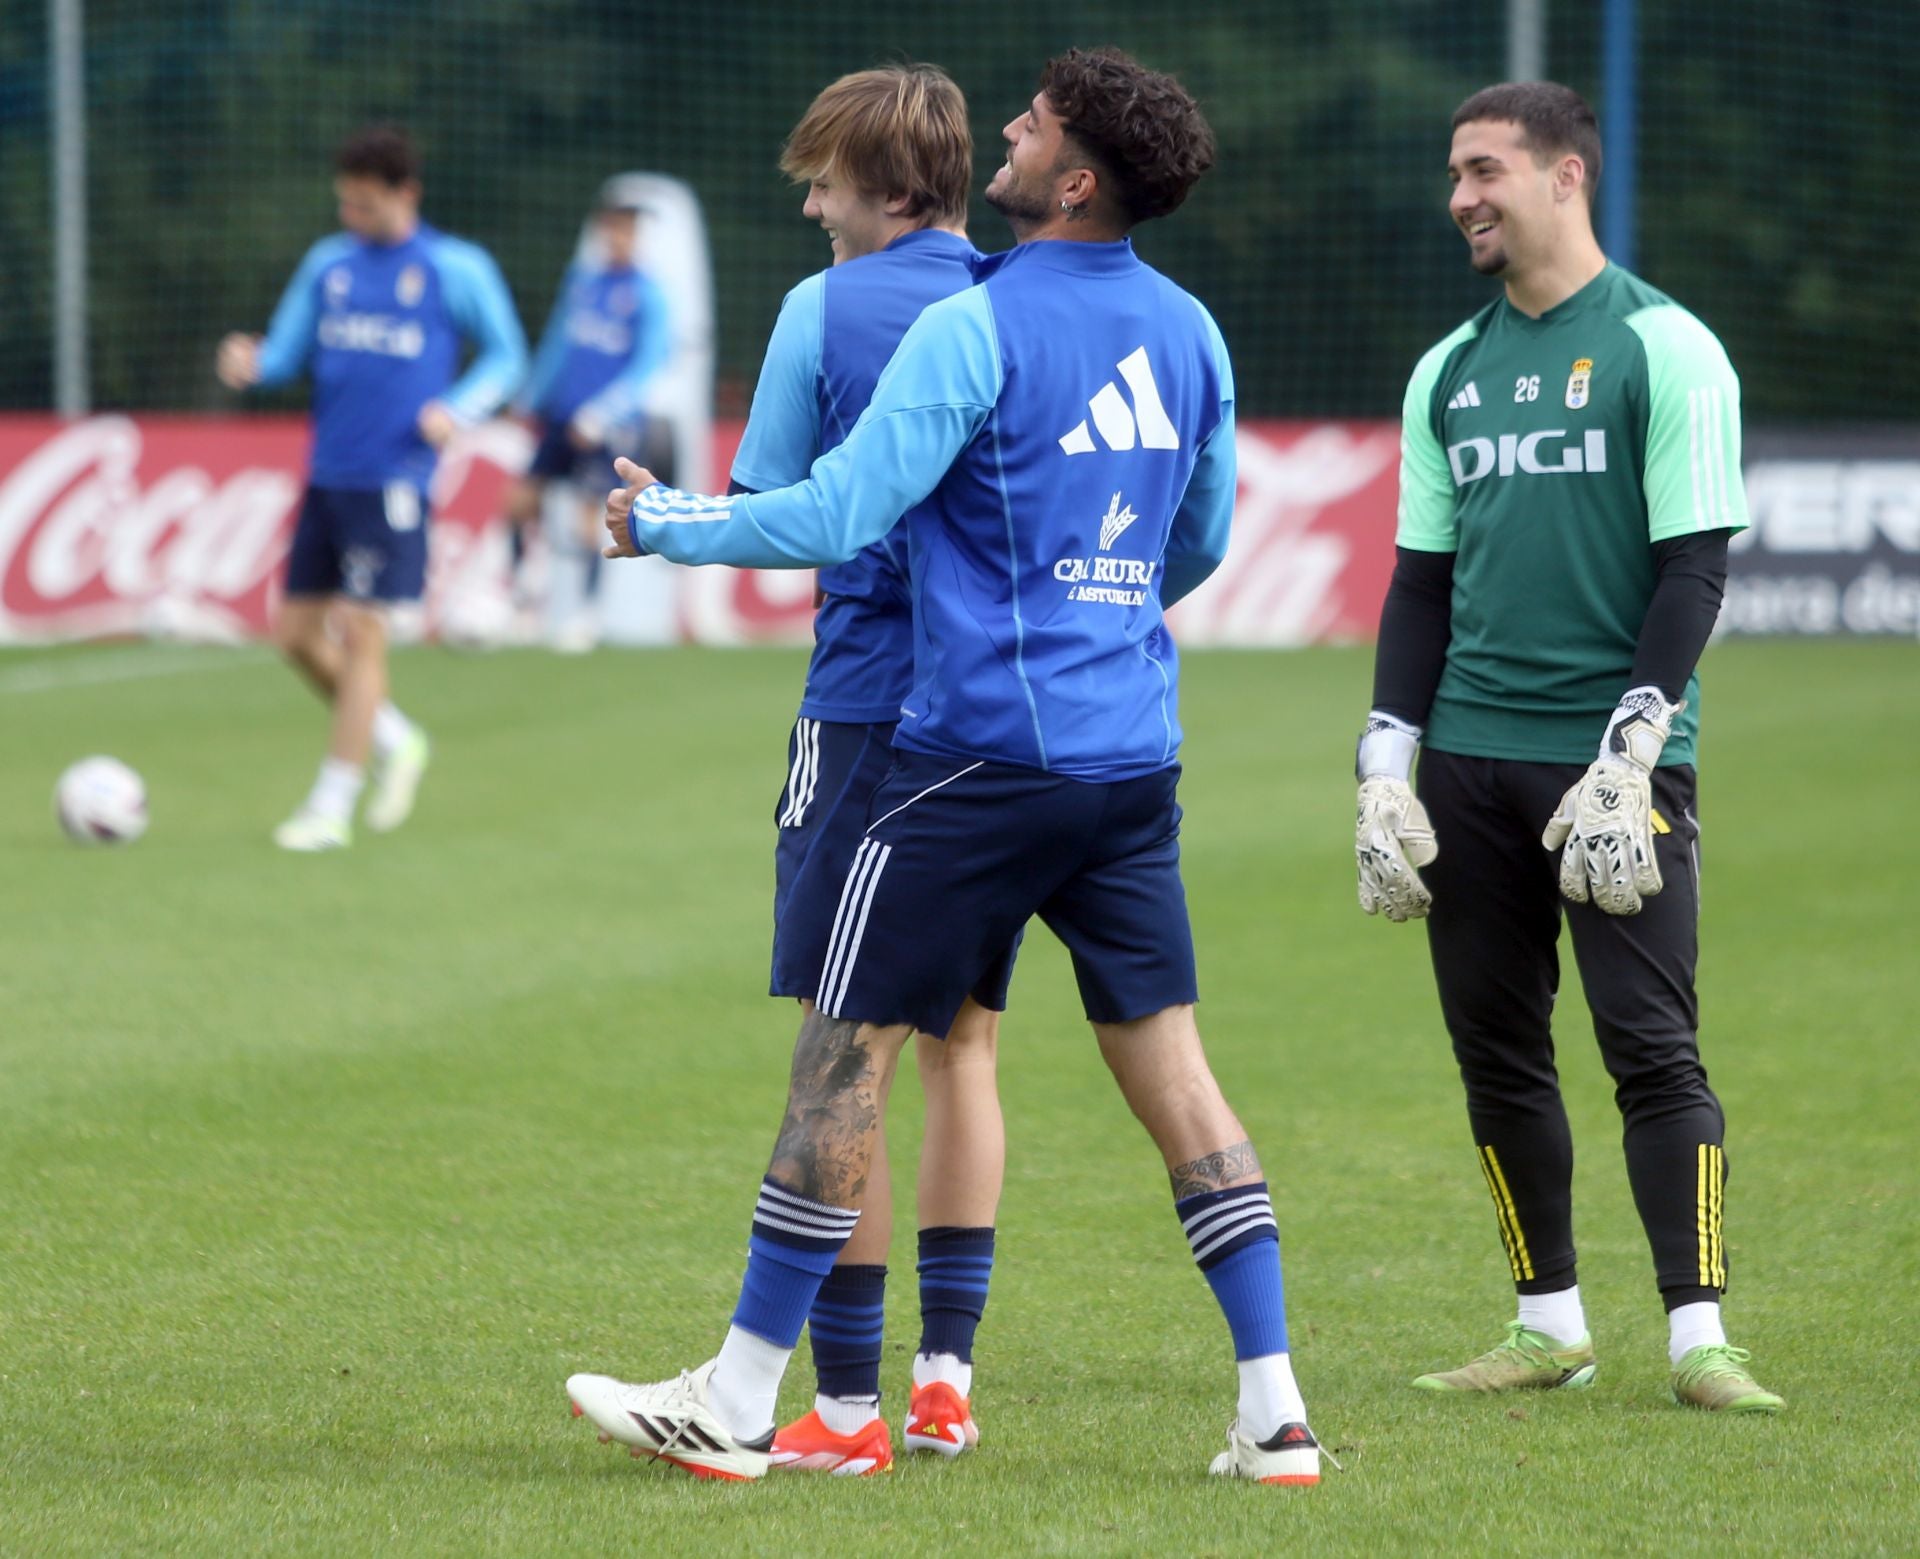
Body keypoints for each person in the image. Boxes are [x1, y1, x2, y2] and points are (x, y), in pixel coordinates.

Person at [569, 47, 1323, 1487]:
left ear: (1076, 179)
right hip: (1130, 759)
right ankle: (1275, 1408)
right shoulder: (1195, 330)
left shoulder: (981, 321)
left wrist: (663, 521)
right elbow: (1202, 540)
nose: (1011, 137)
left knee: (844, 1046)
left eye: (1033, 128)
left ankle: (742, 1396)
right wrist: (1098, 607)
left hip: (969, 757)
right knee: (1177, 1076)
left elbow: (843, 507)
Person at [1352, 81, 1781, 1413]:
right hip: (1471, 763)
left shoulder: (1668, 348)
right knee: (1496, 1048)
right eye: (1454, 174)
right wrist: (1383, 763)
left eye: (1483, 170)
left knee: (1651, 1045)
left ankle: (1700, 1336)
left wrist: (1634, 746)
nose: (1462, 197)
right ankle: (1548, 1322)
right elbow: (1422, 585)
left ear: (1565, 176)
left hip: (1611, 767)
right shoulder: (1450, 371)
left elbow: (1691, 569)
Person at [724, 66, 1006, 1477]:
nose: (808, 194)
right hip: (995, 731)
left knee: (851, 1054)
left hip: (860, 716)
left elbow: (777, 499)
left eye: (826, 173)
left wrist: (669, 520)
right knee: (967, 1046)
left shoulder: (820, 310)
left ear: (891, 186)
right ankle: (946, 1378)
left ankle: (842, 1408)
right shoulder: (1012, 298)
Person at [217, 125, 527, 849]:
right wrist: (250, 361)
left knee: (361, 634)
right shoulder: (329, 265)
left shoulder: (455, 268)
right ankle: (393, 735)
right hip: (330, 473)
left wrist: (458, 407)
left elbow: (508, 355)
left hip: (397, 477)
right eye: (345, 205)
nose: (353, 218)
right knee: (294, 634)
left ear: (406, 194)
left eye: (367, 206)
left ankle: (332, 804)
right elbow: (284, 353)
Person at [507, 180, 674, 651]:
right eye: (613, 230)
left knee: (590, 518)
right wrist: (530, 398)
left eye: (628, 231)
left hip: (608, 428)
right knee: (518, 504)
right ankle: (521, 602)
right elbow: (559, 345)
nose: (619, 239)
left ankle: (585, 613)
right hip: (561, 416)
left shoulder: (648, 294)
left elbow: (647, 367)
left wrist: (602, 413)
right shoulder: (583, 283)